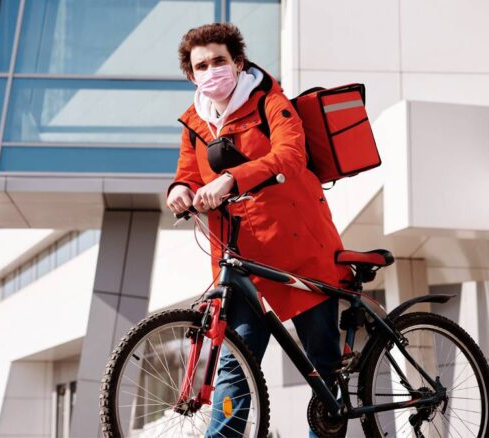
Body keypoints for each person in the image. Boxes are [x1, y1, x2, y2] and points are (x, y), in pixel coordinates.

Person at [166, 23, 352, 437]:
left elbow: (290, 154)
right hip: (240, 260)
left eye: (219, 60)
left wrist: (232, 178)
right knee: (234, 368)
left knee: (323, 368)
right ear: (191, 75)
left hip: (299, 250)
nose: (211, 70)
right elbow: (187, 171)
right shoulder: (195, 119)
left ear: (238, 62)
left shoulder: (270, 101)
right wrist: (180, 189)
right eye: (201, 65)